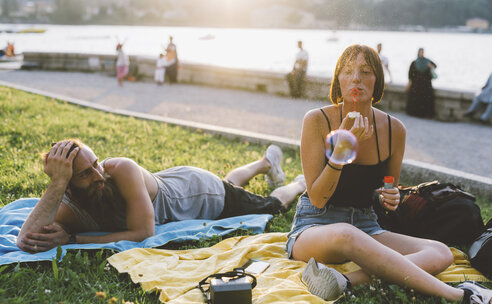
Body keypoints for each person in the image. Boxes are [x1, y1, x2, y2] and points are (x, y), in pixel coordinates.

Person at [286, 44, 492, 303]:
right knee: (346, 233)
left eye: (365, 71)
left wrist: (390, 197)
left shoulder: (395, 129)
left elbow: (389, 189)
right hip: (315, 226)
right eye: (347, 71)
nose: (356, 78)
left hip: (366, 225)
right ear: (337, 80)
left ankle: (346, 281)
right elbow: (317, 198)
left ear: (378, 80)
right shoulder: (316, 120)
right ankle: (462, 295)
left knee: (440, 253)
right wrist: (344, 147)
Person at [16, 140, 306, 253]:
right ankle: (264, 163)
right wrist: (55, 186)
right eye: (84, 174)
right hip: (179, 185)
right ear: (66, 185)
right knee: (230, 182)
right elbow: (25, 241)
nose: (97, 175)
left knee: (271, 206)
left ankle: (296, 183)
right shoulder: (69, 197)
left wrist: (72, 239)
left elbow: (143, 232)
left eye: (96, 163)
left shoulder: (119, 169)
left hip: (199, 192)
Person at [406, 48, 437, 118]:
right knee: (416, 100)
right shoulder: (414, 62)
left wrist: (430, 66)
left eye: (422, 52)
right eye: (421, 52)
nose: (422, 53)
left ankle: (425, 114)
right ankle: (415, 113)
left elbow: (435, 66)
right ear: (418, 53)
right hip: (416, 85)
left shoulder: (427, 61)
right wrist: (409, 83)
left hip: (426, 85)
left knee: (425, 100)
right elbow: (410, 74)